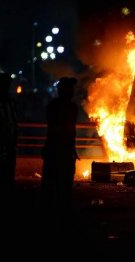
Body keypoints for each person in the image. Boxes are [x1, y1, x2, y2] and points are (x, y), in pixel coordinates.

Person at [40, 76, 79, 231]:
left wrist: (72, 149)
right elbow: (57, 131)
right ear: (63, 90)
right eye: (69, 88)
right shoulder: (58, 107)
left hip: (62, 152)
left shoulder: (69, 107)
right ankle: (52, 220)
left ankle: (60, 218)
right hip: (57, 151)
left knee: (62, 187)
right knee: (53, 186)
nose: (72, 91)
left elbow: (71, 132)